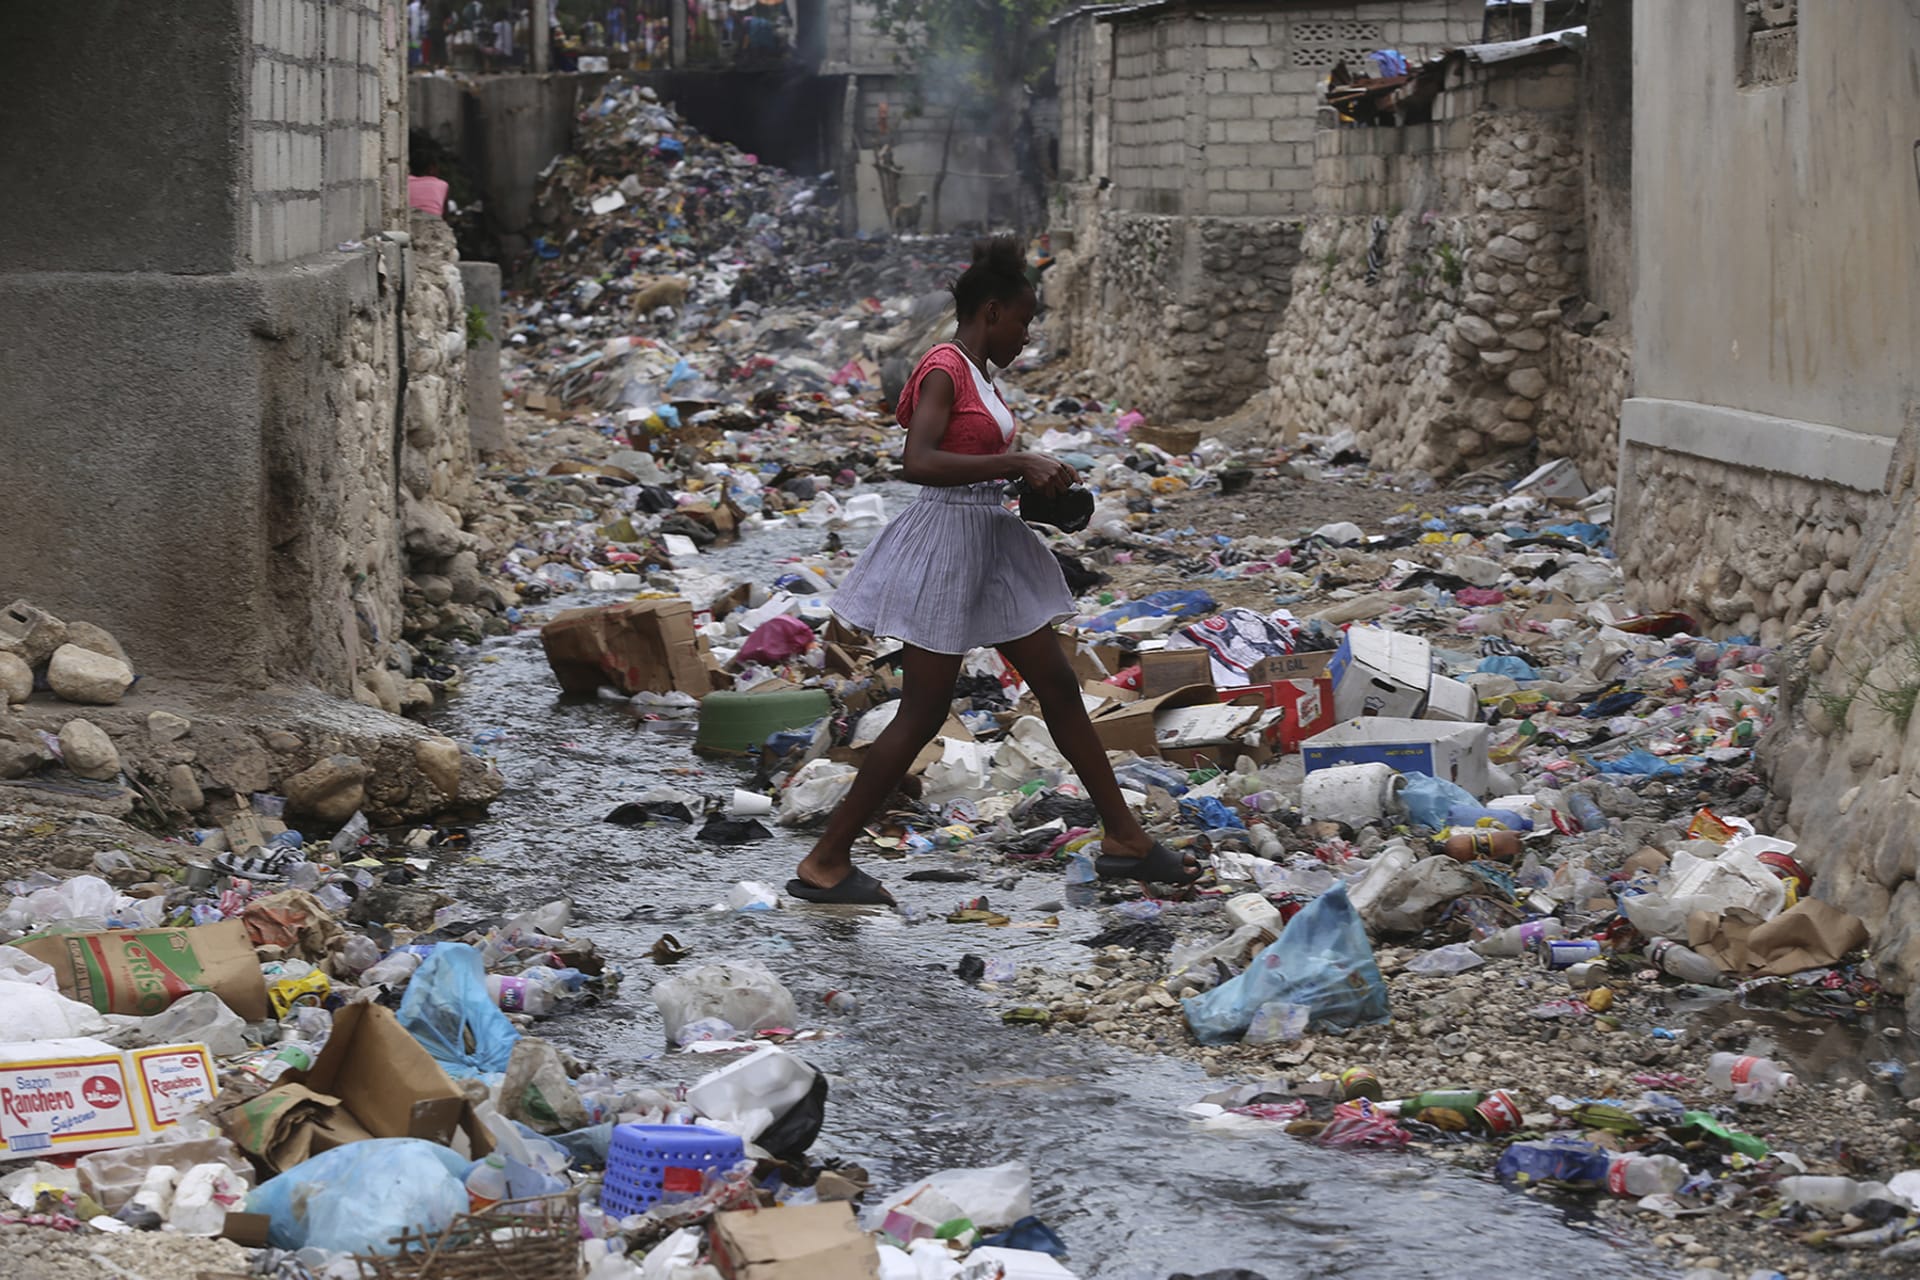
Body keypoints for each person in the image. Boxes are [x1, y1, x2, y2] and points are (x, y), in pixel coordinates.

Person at [787, 237, 1202, 906]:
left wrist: (1040, 482)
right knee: (922, 713)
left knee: (1061, 688)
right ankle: (826, 862)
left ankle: (1124, 837)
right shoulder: (944, 368)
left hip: (989, 541)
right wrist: (1018, 463)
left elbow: (973, 457)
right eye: (1023, 319)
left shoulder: (982, 375)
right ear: (990, 311)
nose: (1026, 334)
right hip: (948, 545)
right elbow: (917, 461)